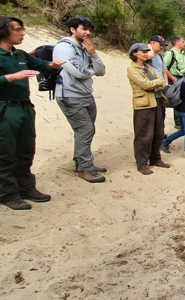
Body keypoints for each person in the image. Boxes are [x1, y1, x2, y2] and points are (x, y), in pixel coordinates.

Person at [0, 16, 64, 210]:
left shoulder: (21, 55)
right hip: (5, 109)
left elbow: (42, 66)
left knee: (26, 150)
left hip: (25, 108)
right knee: (5, 153)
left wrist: (52, 66)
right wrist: (11, 77)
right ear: (4, 31)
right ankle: (8, 194)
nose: (23, 33)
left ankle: (26, 187)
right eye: (18, 29)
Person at [53, 16, 107, 183]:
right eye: (84, 29)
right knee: (85, 130)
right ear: (73, 29)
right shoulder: (64, 47)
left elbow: (101, 71)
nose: (88, 33)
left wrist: (93, 54)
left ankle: (83, 162)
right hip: (70, 95)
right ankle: (85, 168)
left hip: (86, 95)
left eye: (90, 30)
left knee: (87, 130)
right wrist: (90, 70)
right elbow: (80, 73)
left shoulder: (85, 48)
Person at [126, 43, 170, 175]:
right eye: (143, 52)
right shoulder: (132, 69)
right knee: (144, 135)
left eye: (147, 51)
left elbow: (161, 82)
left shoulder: (148, 67)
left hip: (157, 102)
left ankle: (155, 158)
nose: (146, 54)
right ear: (134, 53)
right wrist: (156, 84)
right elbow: (145, 85)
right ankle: (142, 163)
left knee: (158, 133)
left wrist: (155, 84)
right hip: (144, 105)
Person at [164, 36, 185, 129]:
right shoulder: (170, 53)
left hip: (184, 78)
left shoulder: (183, 55)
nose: (184, 44)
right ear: (177, 43)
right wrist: (172, 78)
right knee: (176, 100)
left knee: (184, 99)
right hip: (175, 78)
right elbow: (164, 67)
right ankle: (178, 123)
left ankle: (183, 122)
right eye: (183, 42)